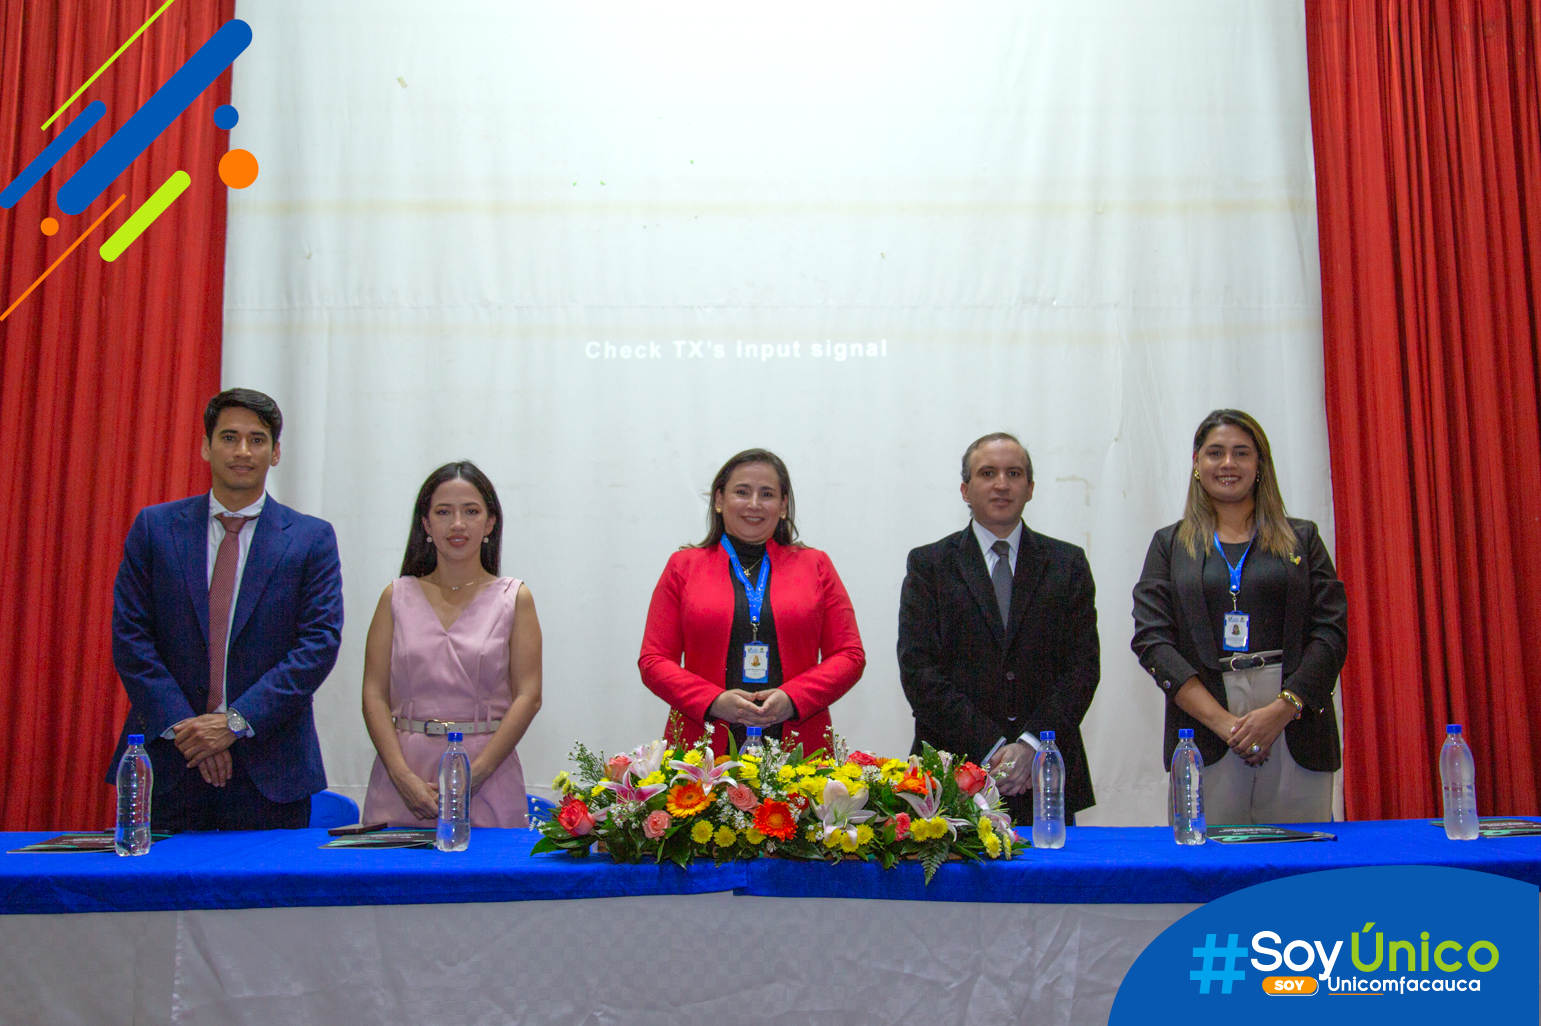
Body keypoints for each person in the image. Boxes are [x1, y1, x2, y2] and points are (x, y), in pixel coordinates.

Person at [108, 388, 344, 831]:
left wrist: (234, 723)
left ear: (275, 453)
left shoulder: (311, 539)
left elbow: (318, 646)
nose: (242, 451)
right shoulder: (155, 529)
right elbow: (131, 638)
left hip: (271, 769)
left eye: (257, 440)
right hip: (169, 763)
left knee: (268, 899)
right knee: (155, 897)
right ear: (205, 446)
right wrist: (189, 730)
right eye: (229, 437)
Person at [1131, 409, 1347, 825]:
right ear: (1197, 464)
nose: (1228, 464)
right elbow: (1152, 640)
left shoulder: (1302, 538)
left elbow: (1331, 632)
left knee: (1298, 867)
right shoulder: (1169, 545)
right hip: (1205, 721)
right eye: (1215, 453)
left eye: (1241, 453)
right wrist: (1225, 724)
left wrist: (1283, 709)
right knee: (1208, 868)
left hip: (1293, 716)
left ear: (1260, 465)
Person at [898, 432, 1101, 824]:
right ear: (965, 489)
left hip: (1044, 773)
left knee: (1049, 884)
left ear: (1030, 488)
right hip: (953, 771)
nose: (1002, 484)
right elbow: (919, 672)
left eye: (1014, 473)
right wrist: (990, 750)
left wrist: (1029, 747)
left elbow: (1082, 670)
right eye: (988, 473)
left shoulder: (1067, 563)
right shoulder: (929, 565)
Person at [639, 449, 865, 757]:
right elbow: (653, 660)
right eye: (742, 492)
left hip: (800, 747)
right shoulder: (683, 566)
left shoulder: (816, 565)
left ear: (783, 505)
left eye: (767, 494)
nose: (754, 504)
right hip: (701, 749)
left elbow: (849, 655)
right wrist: (712, 701)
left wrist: (794, 698)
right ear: (719, 500)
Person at [361, 462, 542, 828]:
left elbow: (529, 696)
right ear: (425, 524)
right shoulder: (395, 597)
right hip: (403, 775)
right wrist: (401, 777)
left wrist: (476, 774)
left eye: (471, 511)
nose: (457, 524)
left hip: (487, 774)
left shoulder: (514, 598)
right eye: (443, 512)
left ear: (490, 522)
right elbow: (374, 694)